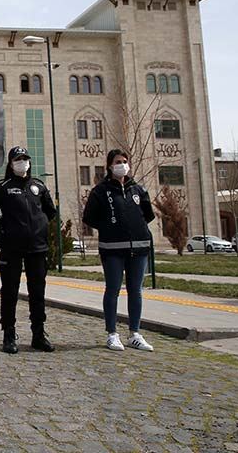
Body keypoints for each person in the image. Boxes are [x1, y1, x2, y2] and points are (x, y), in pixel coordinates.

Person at [0, 146, 57, 354]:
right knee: (10, 292)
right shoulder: (4, 187)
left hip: (37, 247)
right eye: (17, 159)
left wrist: (40, 225)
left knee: (37, 292)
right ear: (11, 164)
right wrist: (4, 223)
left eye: (25, 159)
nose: (22, 163)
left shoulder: (38, 186)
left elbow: (50, 211)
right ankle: (9, 334)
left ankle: (38, 334)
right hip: (11, 247)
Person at [83, 149, 156, 352]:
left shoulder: (138, 190)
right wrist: (109, 227)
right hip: (112, 249)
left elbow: (148, 214)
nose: (122, 164)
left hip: (139, 248)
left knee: (136, 291)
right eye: (117, 162)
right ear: (109, 165)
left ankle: (135, 333)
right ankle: (112, 334)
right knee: (113, 289)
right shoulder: (100, 191)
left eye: (124, 161)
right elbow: (89, 217)